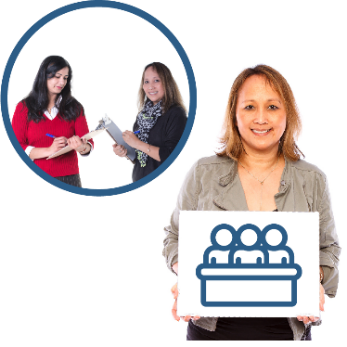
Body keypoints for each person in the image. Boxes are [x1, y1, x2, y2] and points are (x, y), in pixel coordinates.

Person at [163, 65, 340, 340]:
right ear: (234, 115)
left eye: (272, 107)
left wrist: (311, 279)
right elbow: (174, 237)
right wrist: (189, 274)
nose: (260, 118)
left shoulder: (312, 180)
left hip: (285, 331)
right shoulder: (203, 173)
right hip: (210, 331)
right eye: (249, 107)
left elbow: (329, 249)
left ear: (288, 114)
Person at [12, 56, 94, 187]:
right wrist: (50, 150)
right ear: (44, 75)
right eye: (57, 76)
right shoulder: (23, 108)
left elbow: (88, 143)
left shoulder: (75, 107)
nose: (62, 82)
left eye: (65, 78)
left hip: (69, 178)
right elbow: (17, 146)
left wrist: (81, 147)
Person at [113, 62, 187, 182]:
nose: (150, 86)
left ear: (167, 83)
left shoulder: (176, 114)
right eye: (146, 81)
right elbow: (141, 157)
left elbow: (171, 155)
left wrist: (137, 143)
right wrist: (126, 151)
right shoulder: (142, 117)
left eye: (156, 80)